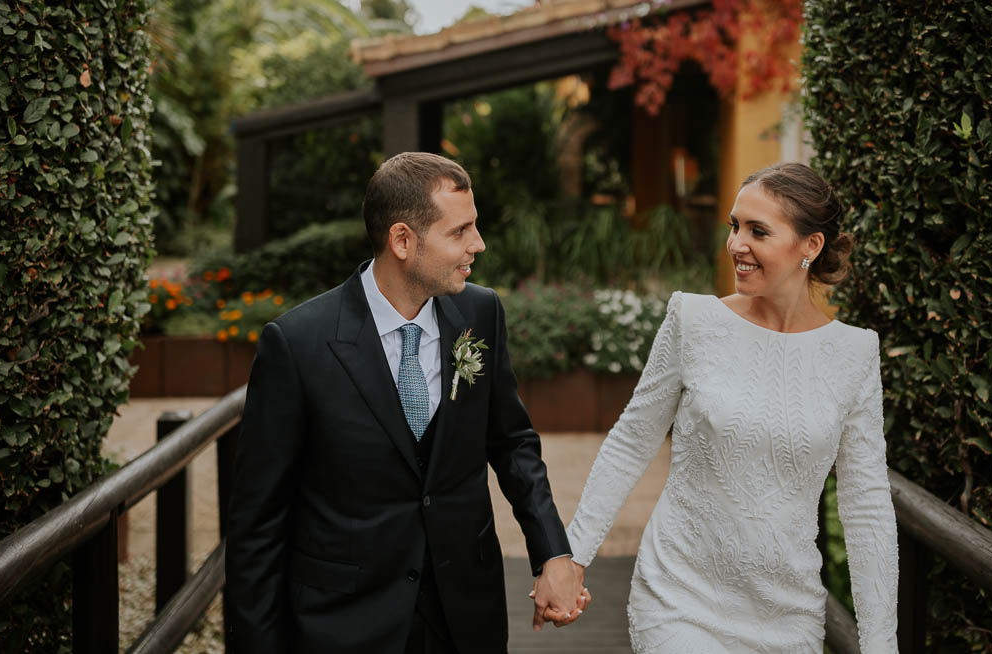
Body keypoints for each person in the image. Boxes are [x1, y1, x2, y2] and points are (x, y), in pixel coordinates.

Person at [225, 152, 588, 654]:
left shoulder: (480, 314)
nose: (477, 245)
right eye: (459, 231)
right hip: (346, 624)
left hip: (465, 615)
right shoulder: (297, 345)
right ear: (402, 240)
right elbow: (257, 527)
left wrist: (553, 553)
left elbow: (512, 444)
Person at [565, 162, 899, 653]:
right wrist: (571, 557)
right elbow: (632, 440)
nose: (737, 244)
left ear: (811, 246)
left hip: (790, 614)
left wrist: (880, 644)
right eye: (735, 226)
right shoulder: (693, 320)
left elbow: (866, 506)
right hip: (679, 599)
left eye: (758, 231)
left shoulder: (854, 355)